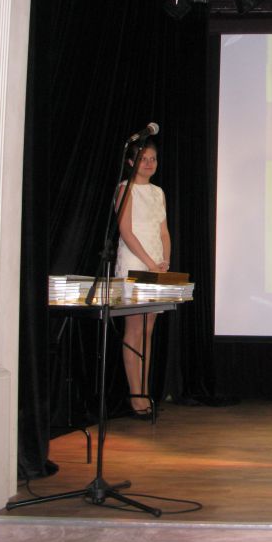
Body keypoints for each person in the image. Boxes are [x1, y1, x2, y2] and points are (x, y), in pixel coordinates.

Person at [115, 139, 171, 420]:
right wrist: (149, 263)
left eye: (153, 159)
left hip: (156, 266)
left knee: (148, 330)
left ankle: (145, 392)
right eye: (143, 158)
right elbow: (126, 231)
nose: (149, 163)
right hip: (135, 264)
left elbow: (164, 232)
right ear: (131, 162)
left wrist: (165, 262)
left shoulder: (158, 192)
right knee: (135, 329)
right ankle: (135, 396)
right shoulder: (125, 189)